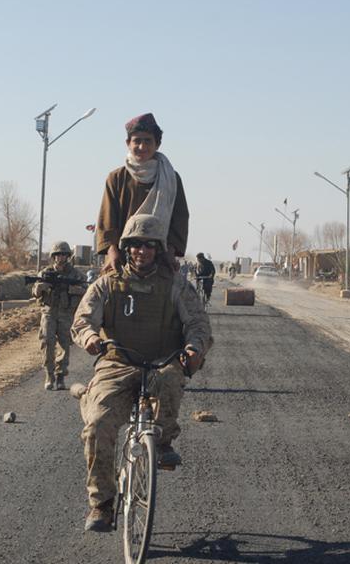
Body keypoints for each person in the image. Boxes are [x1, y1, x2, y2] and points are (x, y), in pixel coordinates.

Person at [71, 214, 211, 532]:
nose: (142, 251)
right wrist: (91, 338)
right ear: (126, 248)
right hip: (116, 363)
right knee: (98, 426)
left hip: (163, 360)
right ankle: (102, 504)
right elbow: (83, 319)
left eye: (149, 245)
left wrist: (194, 348)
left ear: (159, 250)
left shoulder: (175, 285)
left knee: (170, 379)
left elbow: (198, 323)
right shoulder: (107, 283)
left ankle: (161, 442)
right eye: (135, 245)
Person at [96, 113, 189, 275]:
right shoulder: (117, 178)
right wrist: (112, 251)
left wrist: (171, 251)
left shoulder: (171, 178)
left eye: (147, 141)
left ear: (157, 144)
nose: (142, 146)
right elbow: (107, 219)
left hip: (160, 258)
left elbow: (180, 218)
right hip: (121, 258)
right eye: (137, 141)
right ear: (128, 143)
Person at [32, 241, 87, 390]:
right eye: (57, 255)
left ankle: (61, 376)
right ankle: (49, 375)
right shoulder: (45, 273)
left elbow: (87, 291)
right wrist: (41, 287)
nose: (60, 258)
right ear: (53, 257)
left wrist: (72, 289)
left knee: (65, 345)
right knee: (47, 343)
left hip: (66, 314)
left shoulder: (76, 275)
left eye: (63, 255)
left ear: (68, 256)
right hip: (49, 312)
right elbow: (34, 291)